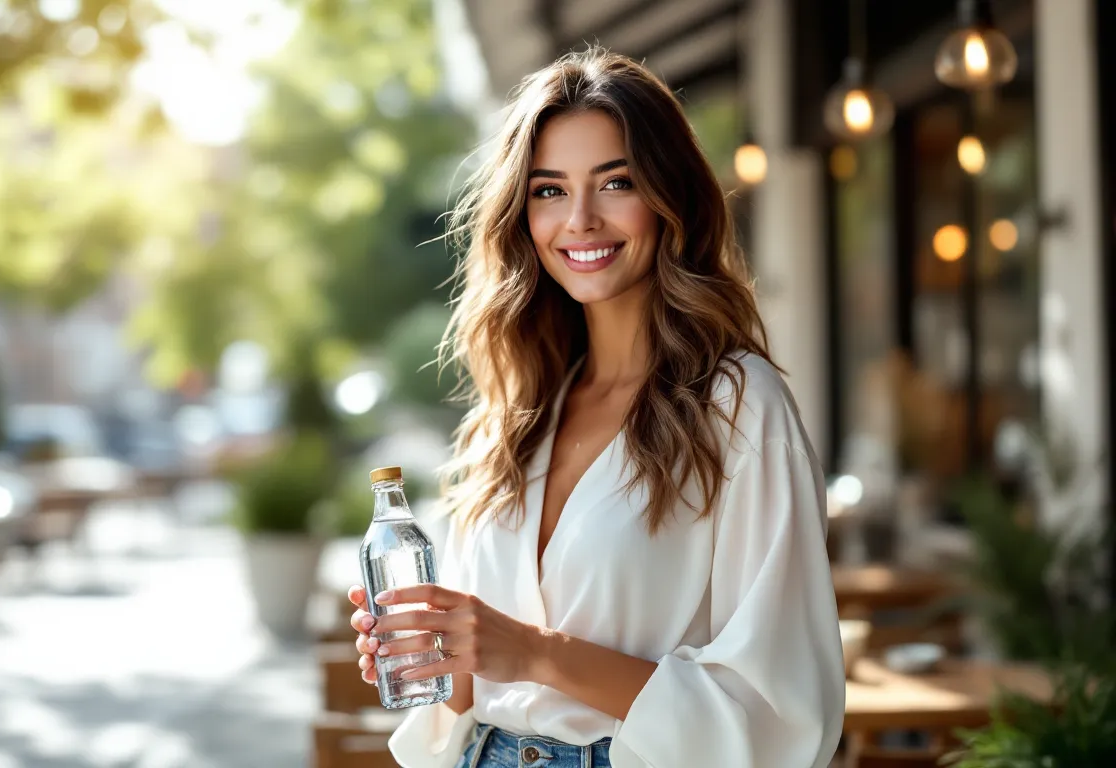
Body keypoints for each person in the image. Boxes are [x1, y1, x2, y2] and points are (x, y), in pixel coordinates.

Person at [348, 47, 845, 768]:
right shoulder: (517, 408)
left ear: (669, 197)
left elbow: (781, 711)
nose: (580, 220)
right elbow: (473, 690)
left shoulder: (736, 406)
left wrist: (534, 652)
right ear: (522, 215)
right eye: (549, 190)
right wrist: (437, 652)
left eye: (616, 182)